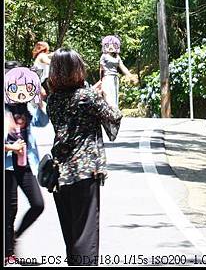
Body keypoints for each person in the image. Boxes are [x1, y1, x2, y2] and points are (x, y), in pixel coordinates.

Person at [47, 48, 122, 266]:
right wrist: (104, 95)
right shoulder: (87, 97)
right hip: (84, 174)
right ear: (77, 70)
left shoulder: (53, 100)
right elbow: (113, 118)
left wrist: (92, 93)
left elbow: (74, 102)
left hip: (60, 174)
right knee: (86, 237)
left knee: (71, 239)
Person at [4, 67, 48, 265]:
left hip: (25, 163)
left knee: (38, 204)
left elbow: (42, 122)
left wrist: (39, 102)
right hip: (7, 165)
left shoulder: (26, 105)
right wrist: (10, 147)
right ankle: (8, 253)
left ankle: (14, 237)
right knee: (9, 211)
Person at [96, 35, 137, 109]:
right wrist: (101, 80)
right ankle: (109, 113)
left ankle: (115, 114)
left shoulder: (117, 57)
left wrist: (130, 76)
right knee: (107, 96)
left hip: (115, 78)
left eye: (113, 45)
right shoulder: (104, 56)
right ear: (105, 46)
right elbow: (101, 69)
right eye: (108, 45)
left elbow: (122, 67)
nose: (111, 47)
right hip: (107, 78)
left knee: (114, 95)